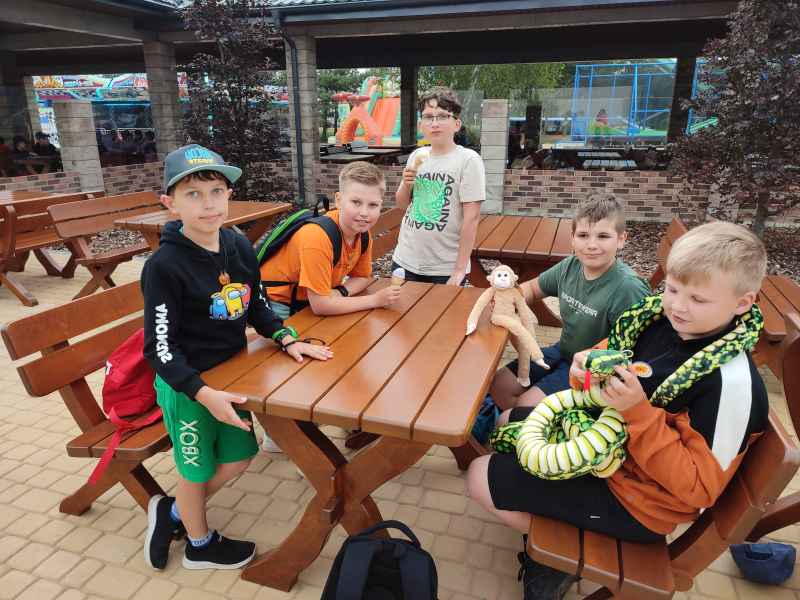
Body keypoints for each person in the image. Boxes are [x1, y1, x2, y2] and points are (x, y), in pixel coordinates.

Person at [468, 220, 769, 599]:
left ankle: (558, 558)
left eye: (698, 299)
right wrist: (584, 367)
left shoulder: (731, 386)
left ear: (743, 303)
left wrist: (636, 412)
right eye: (672, 288)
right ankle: (556, 523)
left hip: (639, 501)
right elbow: (606, 355)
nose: (677, 305)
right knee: (506, 421)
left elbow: (697, 489)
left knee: (478, 476)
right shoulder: (656, 319)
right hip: (608, 446)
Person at [141, 144, 332, 571]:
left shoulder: (239, 245)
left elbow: (256, 304)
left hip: (232, 375)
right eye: (193, 194)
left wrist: (286, 338)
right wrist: (201, 392)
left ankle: (172, 512)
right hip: (188, 386)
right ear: (170, 204)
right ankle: (199, 545)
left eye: (216, 191)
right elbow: (159, 348)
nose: (208, 203)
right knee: (195, 470)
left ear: (229, 195)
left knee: (239, 457)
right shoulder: (163, 266)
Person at [258, 160, 400, 452]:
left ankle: (345, 412)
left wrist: (340, 292)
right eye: (356, 202)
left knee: (348, 345)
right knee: (295, 364)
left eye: (373, 205)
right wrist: (373, 300)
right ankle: (281, 434)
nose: (364, 212)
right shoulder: (317, 237)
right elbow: (322, 306)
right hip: (277, 304)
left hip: (310, 298)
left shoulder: (361, 234)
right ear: (338, 200)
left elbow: (363, 277)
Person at [489, 193, 650, 411]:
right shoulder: (570, 266)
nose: (591, 245)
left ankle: (526, 422)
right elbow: (532, 289)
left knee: (526, 407)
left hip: (591, 372)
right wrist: (508, 301)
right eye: (583, 235)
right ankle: (516, 422)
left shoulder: (628, 289)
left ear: (621, 239)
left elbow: (640, 349)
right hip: (563, 351)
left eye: (603, 236)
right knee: (499, 385)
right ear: (572, 237)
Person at [392, 87, 485, 285]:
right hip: (405, 259)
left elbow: (471, 218)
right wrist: (406, 185)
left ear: (457, 124)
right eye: (428, 117)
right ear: (421, 125)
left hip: (445, 267)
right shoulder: (417, 156)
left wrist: (459, 270)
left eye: (442, 116)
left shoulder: (468, 160)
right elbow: (402, 205)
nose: (434, 123)